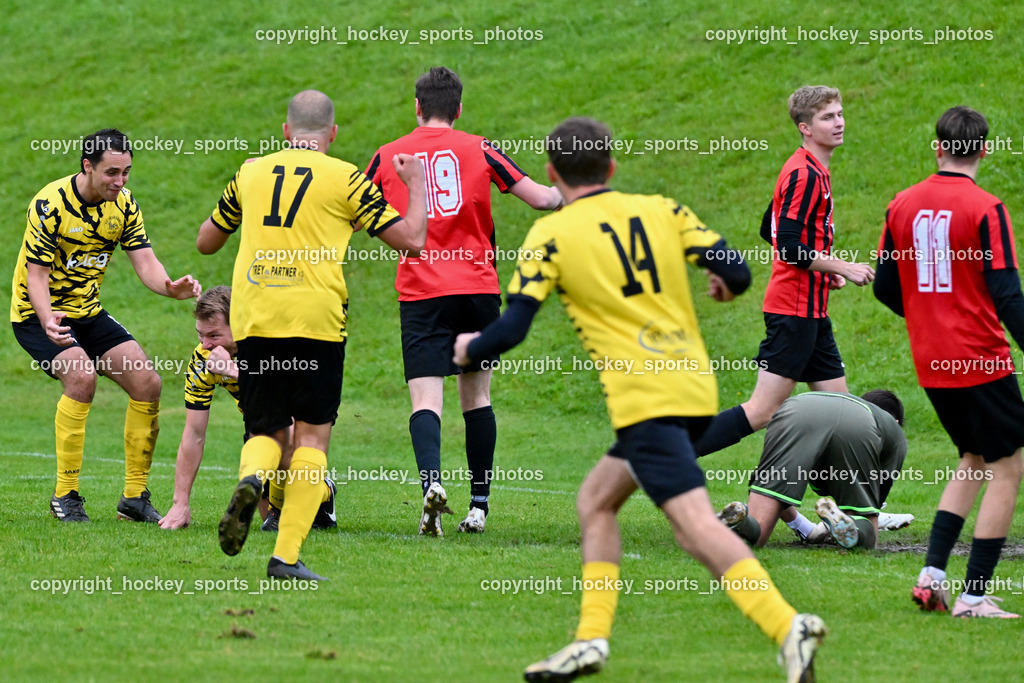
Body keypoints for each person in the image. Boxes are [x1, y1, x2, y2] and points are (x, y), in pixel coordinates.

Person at [453, 117, 825, 682]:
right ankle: (589, 641)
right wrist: (725, 285)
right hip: (694, 388)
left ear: (552, 174)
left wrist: (468, 349)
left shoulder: (549, 236)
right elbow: (739, 272)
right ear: (612, 167)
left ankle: (786, 625)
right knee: (596, 501)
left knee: (693, 527)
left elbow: (512, 331)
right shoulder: (661, 209)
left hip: (646, 398)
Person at [197, 90, 427, 581]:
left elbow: (206, 241)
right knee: (312, 441)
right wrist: (415, 185)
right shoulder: (347, 177)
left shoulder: (251, 172)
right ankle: (285, 557)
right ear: (333, 134)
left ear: (285, 132)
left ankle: (252, 479)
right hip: (317, 323)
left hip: (257, 320)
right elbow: (411, 240)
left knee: (266, 433)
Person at [365, 66, 562, 536]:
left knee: (425, 398)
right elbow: (540, 199)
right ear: (458, 109)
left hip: (422, 291)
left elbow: (351, 210)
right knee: (476, 397)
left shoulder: (389, 154)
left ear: (416, 107)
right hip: (477, 289)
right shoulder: (481, 148)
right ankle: (478, 506)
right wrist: (569, 193)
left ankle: (432, 486)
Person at [875, 106, 1024, 619]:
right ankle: (974, 595)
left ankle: (931, 577)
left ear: (938, 147)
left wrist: (926, 315)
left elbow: (886, 286)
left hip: (932, 360)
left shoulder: (901, 205)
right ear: (984, 149)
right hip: (979, 357)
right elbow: (1008, 296)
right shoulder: (987, 209)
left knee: (974, 459)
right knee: (1009, 466)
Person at [10, 128, 200, 523]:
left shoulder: (124, 205)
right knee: (82, 376)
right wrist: (47, 319)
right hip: (36, 314)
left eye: (126, 172)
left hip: (87, 312)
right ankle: (66, 494)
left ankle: (134, 498)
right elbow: (37, 276)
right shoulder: (50, 204)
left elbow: (145, 261)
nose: (120, 181)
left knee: (147, 382)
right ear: (87, 166)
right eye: (112, 172)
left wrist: (169, 288)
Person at [694, 86, 875, 457]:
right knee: (763, 411)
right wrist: (842, 266)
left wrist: (823, 271)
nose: (839, 122)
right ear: (805, 128)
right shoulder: (805, 175)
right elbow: (789, 247)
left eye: (840, 113)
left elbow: (770, 229)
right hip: (792, 313)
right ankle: (662, 460)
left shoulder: (809, 169)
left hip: (810, 312)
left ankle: (863, 512)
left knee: (846, 415)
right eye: (828, 117)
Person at [157, 285, 336, 533]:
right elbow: (194, 433)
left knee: (286, 437)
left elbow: (284, 400)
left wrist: (231, 370)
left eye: (214, 336)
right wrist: (180, 503)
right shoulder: (203, 359)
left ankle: (319, 489)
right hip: (259, 419)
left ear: (240, 325)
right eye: (201, 336)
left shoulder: (271, 343)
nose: (206, 345)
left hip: (304, 413)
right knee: (274, 514)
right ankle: (313, 498)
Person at [717, 390, 907, 550]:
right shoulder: (893, 433)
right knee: (867, 534)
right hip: (858, 426)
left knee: (759, 531)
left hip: (796, 408)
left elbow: (779, 494)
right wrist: (860, 514)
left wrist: (802, 526)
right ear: (896, 421)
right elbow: (874, 506)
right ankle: (853, 529)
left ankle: (742, 522)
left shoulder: (839, 403)